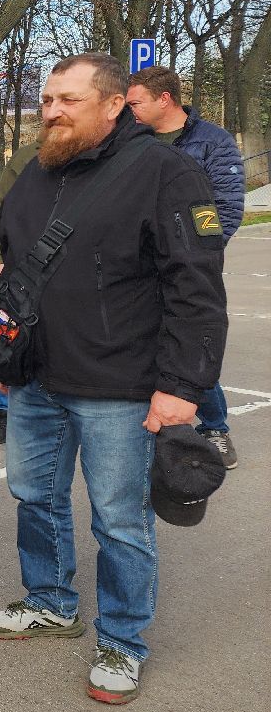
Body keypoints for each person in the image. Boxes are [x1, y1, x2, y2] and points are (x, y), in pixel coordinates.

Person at [0, 52, 226, 705]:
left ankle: (122, 640)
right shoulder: (38, 171)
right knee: (34, 493)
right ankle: (51, 601)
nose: (51, 110)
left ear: (114, 104)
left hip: (121, 387)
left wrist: (182, 386)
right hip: (36, 378)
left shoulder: (164, 173)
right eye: (48, 99)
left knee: (120, 520)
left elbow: (196, 288)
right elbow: (14, 266)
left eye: (67, 100)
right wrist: (5, 357)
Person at [126, 65, 244, 469]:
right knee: (147, 344)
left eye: (136, 102)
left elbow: (226, 207)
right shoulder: (131, 140)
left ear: (164, 99)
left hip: (187, 266)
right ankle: (156, 424)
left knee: (189, 343)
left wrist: (196, 257)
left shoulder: (211, 141)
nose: (130, 110)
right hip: (138, 267)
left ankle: (215, 427)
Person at [0, 140, 40, 444]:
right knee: (9, 335)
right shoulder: (28, 157)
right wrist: (1, 256)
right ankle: (4, 411)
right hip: (24, 270)